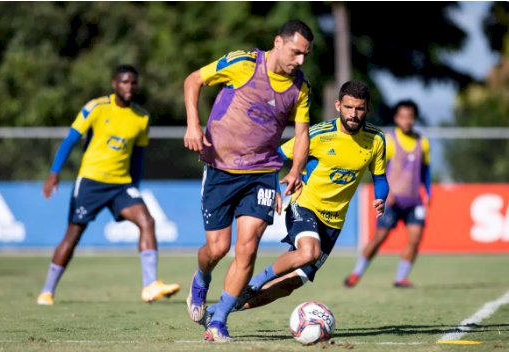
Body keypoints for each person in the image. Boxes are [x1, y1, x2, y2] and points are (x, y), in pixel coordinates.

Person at [204, 80, 388, 318]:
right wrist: (274, 187)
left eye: (359, 109)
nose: (353, 114)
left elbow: (381, 178)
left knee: (291, 284)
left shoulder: (376, 139)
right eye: (349, 107)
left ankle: (220, 311)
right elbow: (277, 156)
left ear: (367, 109)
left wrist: (380, 197)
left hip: (334, 223)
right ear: (338, 105)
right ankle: (255, 282)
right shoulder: (319, 134)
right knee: (309, 252)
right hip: (305, 205)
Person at [183, 20, 313, 342]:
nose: (300, 61)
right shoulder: (243, 64)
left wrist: (295, 169)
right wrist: (193, 125)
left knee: (248, 246)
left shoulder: (301, 88)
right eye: (296, 52)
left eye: (305, 55)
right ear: (278, 43)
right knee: (217, 248)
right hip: (220, 169)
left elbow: (301, 134)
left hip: (262, 172)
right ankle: (201, 279)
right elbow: (193, 80)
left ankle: (219, 320)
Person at [37, 65, 180, 306]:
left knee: (148, 221)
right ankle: (47, 291)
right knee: (72, 236)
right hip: (91, 182)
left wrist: (136, 185)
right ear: (114, 84)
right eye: (124, 82)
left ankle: (149, 285)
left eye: (133, 83)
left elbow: (138, 157)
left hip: (121, 185)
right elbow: (70, 140)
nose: (129, 87)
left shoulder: (141, 117)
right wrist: (54, 173)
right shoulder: (96, 107)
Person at [344, 99, 431, 288]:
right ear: (397, 118)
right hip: (392, 200)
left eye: (410, 117)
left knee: (415, 240)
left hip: (414, 201)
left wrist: (428, 193)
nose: (407, 121)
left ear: (414, 119)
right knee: (378, 239)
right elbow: (378, 170)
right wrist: (384, 194)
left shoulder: (422, 142)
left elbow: (426, 171)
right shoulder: (389, 140)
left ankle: (401, 278)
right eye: (403, 117)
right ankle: (356, 273)